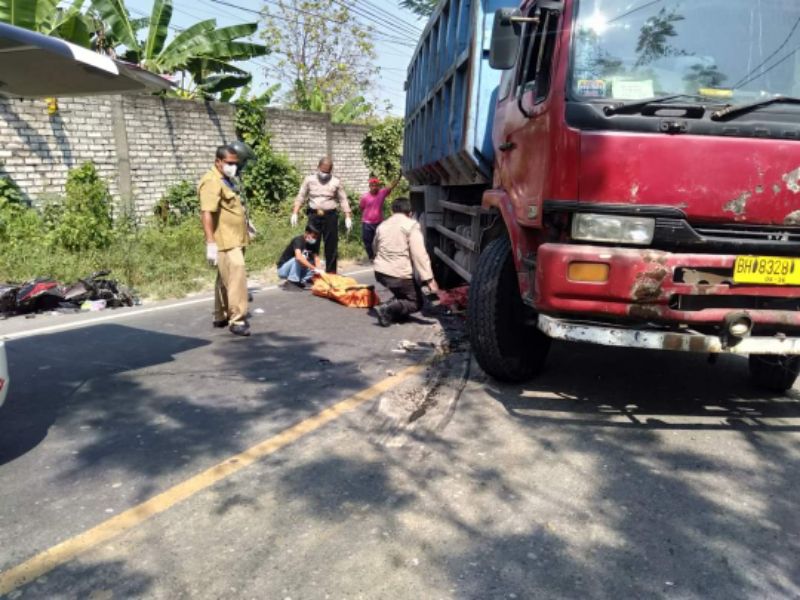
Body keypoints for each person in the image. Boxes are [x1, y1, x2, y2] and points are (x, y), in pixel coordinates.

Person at [199, 144, 250, 337]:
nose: (233, 166)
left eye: (235, 163)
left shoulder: (226, 179)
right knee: (237, 274)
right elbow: (206, 212)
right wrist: (210, 242)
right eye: (229, 163)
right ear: (218, 161)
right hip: (225, 239)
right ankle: (237, 319)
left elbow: (232, 207)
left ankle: (220, 314)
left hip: (236, 236)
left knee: (224, 277)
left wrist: (247, 223)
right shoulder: (211, 181)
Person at [372, 197, 439, 327]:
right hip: (398, 275)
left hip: (380, 272)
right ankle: (388, 309)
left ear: (392, 211)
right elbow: (419, 254)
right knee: (416, 302)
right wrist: (430, 280)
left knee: (405, 291)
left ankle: (398, 311)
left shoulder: (382, 225)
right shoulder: (411, 225)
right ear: (410, 213)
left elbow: (375, 247)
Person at [291, 157, 352, 274]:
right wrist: (295, 212)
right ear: (318, 167)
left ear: (331, 170)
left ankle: (331, 273)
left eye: (327, 172)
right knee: (311, 244)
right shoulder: (309, 180)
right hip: (313, 216)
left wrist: (347, 216)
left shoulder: (336, 182)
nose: (324, 174)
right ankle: (311, 273)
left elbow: (343, 199)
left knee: (331, 246)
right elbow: (301, 196)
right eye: (323, 171)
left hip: (330, 216)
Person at [359, 175, 400, 261]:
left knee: (380, 240)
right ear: (369, 186)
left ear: (378, 186)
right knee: (367, 241)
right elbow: (361, 208)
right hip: (367, 223)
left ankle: (380, 255)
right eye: (372, 186)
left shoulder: (382, 193)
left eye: (376, 185)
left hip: (378, 222)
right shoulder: (365, 197)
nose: (374, 187)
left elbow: (390, 187)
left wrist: (398, 178)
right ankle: (371, 256)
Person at [277, 223, 322, 291]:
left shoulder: (312, 244)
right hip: (284, 269)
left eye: (316, 238)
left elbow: (316, 259)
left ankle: (305, 281)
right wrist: (314, 268)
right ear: (306, 233)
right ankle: (292, 281)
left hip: (299, 269)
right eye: (313, 237)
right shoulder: (298, 240)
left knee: (319, 263)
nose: (314, 239)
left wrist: (320, 271)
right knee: (298, 259)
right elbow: (298, 257)